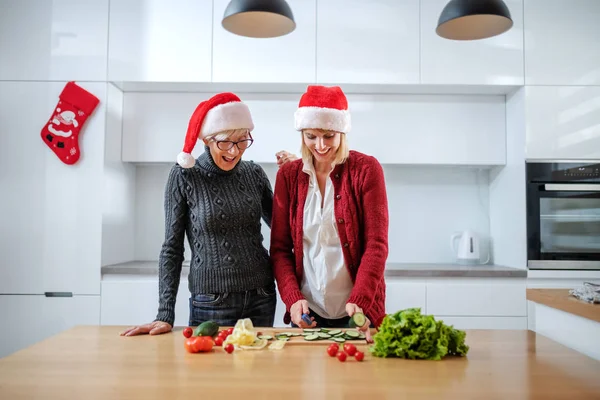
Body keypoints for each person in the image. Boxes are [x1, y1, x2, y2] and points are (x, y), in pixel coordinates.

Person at [121, 93, 278, 336]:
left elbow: (284, 228)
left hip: (262, 296)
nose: (234, 151)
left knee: (259, 373)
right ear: (206, 139)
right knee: (210, 373)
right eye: (225, 142)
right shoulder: (184, 176)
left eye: (242, 141)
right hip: (212, 302)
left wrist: (297, 176)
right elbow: (172, 248)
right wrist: (165, 314)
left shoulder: (254, 173)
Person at [270, 85, 389, 343]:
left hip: (358, 312)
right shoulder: (288, 176)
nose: (320, 146)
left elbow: (376, 245)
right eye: (311, 136)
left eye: (329, 136)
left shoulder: (367, 170)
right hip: (308, 313)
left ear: (342, 133)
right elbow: (280, 250)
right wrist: (293, 300)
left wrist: (361, 299)